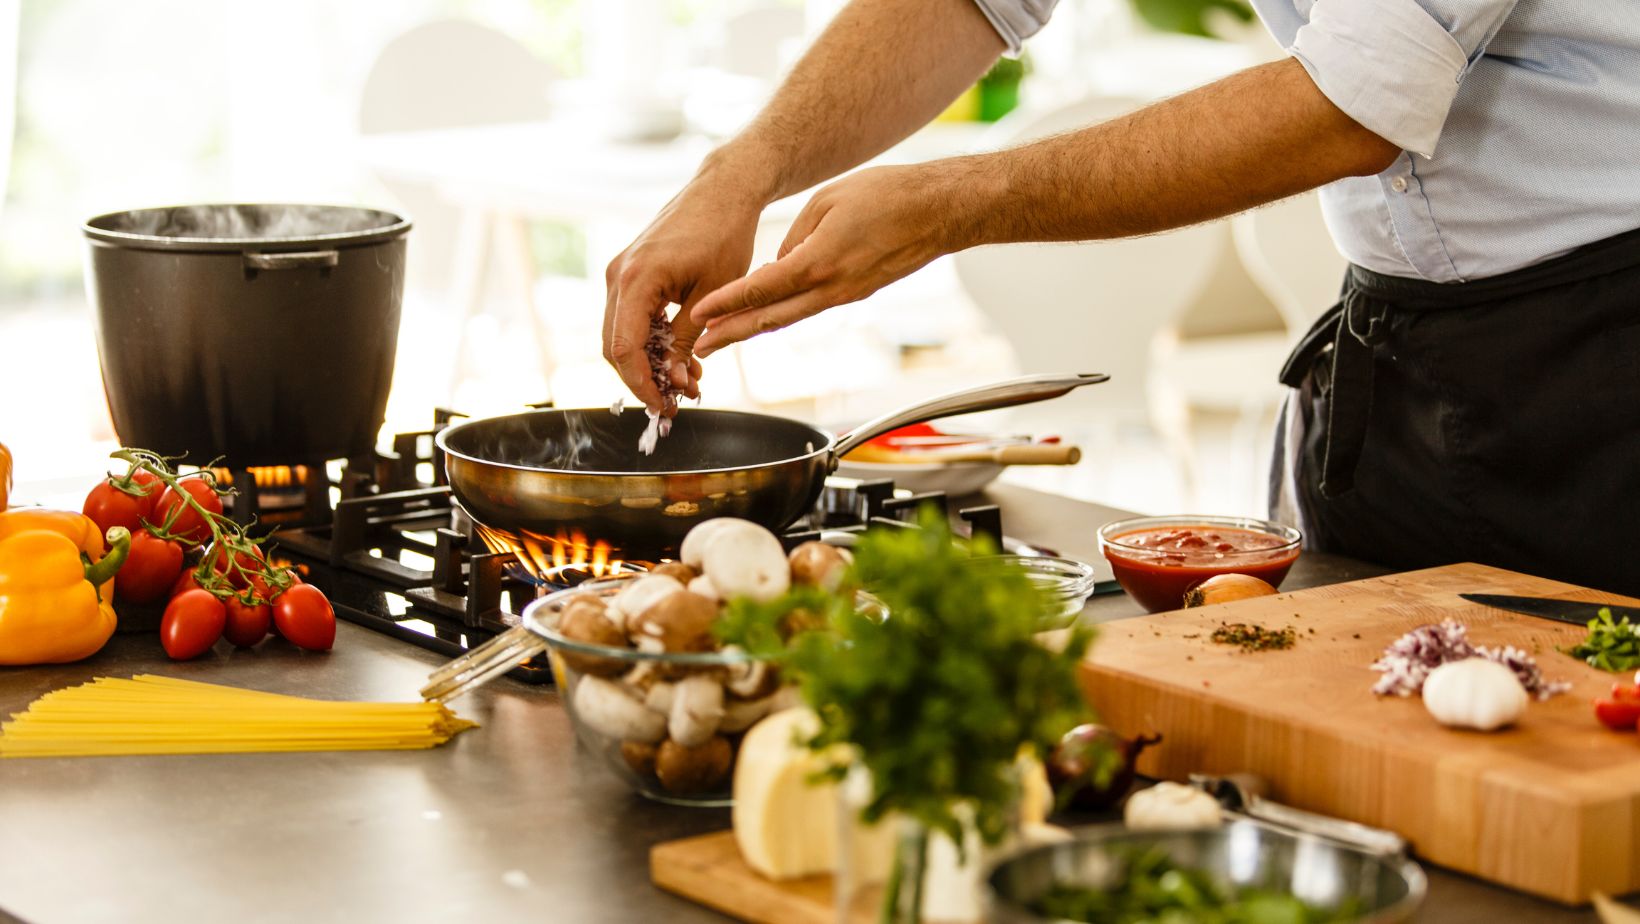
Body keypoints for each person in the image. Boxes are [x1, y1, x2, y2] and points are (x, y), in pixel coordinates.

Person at [602, 0, 1640, 594]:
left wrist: (954, 202)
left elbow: (1353, 103)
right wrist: (737, 175)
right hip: (1396, 352)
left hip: (1606, 359)